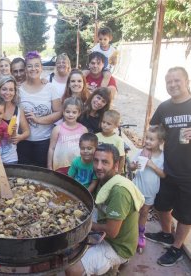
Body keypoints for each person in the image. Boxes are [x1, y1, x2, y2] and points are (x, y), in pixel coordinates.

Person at [65, 143, 144, 276]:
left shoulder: (119, 192)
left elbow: (112, 232)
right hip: (106, 229)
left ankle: (116, 262)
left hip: (117, 246)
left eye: (105, 162)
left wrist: (83, 225)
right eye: (96, 161)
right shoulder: (104, 179)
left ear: (116, 165)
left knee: (72, 269)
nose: (98, 167)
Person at [145, 67, 191, 266]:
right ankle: (166, 234)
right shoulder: (164, 107)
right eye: (169, 81)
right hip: (167, 169)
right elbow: (153, 130)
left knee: (185, 214)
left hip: (189, 174)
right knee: (162, 205)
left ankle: (177, 248)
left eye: (177, 81)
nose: (172, 85)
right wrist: (146, 151)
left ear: (187, 81)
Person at [18, 51, 62, 167]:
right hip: (23, 141)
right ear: (26, 69)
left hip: (45, 141)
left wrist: (38, 120)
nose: (33, 69)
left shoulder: (50, 88)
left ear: (42, 68)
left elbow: (59, 112)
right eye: (30, 66)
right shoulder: (18, 90)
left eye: (37, 65)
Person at [129, 125, 165, 252]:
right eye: (147, 138)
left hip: (150, 191)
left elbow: (164, 174)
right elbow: (131, 167)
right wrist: (134, 166)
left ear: (160, 142)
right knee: (133, 211)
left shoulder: (162, 156)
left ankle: (140, 233)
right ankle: (129, 232)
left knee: (144, 212)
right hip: (136, 187)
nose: (148, 141)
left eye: (152, 139)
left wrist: (152, 165)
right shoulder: (140, 152)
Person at [47, 97, 87, 174]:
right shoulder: (57, 129)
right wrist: (49, 166)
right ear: (63, 112)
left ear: (79, 113)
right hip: (60, 166)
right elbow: (51, 148)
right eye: (67, 112)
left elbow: (86, 149)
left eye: (74, 112)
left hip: (78, 166)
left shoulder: (83, 129)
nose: (70, 115)